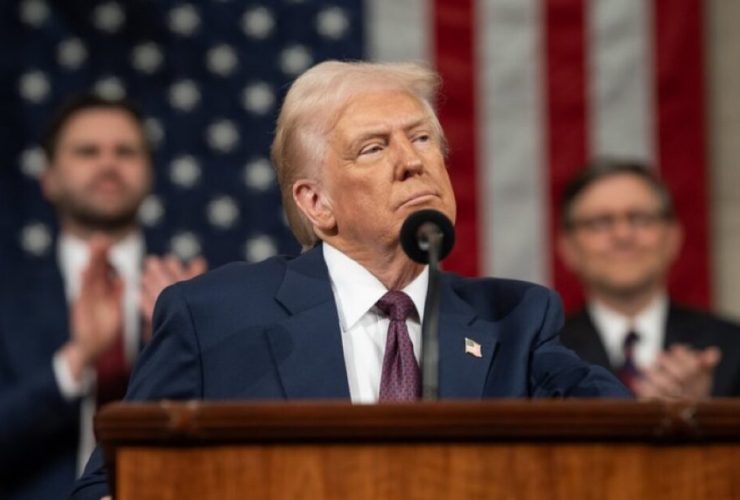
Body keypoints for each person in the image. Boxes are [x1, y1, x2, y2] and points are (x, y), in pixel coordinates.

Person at [70, 61, 628, 500]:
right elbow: (109, 485)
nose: (412, 162)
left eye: (422, 139)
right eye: (374, 147)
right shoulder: (216, 317)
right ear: (317, 203)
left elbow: (623, 432)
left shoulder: (515, 320)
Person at [0, 95, 206, 500]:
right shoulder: (8, 294)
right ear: (49, 178)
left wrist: (178, 347)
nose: (108, 164)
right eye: (87, 152)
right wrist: (75, 360)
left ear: (149, 173)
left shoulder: (193, 290)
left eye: (125, 152)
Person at [558, 159, 740, 399]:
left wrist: (701, 413)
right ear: (568, 247)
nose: (623, 235)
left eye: (640, 218)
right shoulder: (540, 356)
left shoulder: (732, 346)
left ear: (673, 238)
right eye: (601, 222)